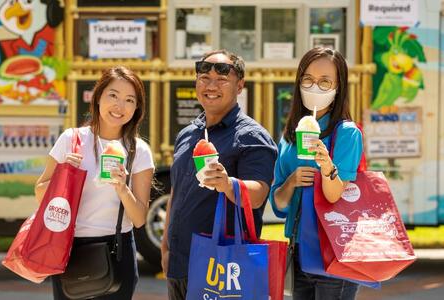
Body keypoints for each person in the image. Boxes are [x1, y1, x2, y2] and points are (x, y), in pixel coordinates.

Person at [161, 49, 278, 300]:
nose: (211, 85)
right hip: (179, 264)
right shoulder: (188, 134)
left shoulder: (252, 137)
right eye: (204, 78)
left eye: (222, 79)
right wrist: (165, 247)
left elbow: (258, 195)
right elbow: (177, 192)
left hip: (222, 267)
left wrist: (228, 184)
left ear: (240, 86)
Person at [34, 66, 155, 300]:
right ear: (98, 97)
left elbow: (139, 218)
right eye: (113, 95)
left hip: (117, 250)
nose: (119, 106)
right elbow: (40, 194)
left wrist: (122, 187)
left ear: (136, 108)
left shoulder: (138, 151)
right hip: (69, 249)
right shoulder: (72, 139)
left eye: (129, 100)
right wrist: (62, 175)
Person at [270, 47, 364, 299]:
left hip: (335, 248)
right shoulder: (289, 137)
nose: (315, 87)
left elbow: (335, 196)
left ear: (338, 88)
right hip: (299, 249)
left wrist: (326, 166)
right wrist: (290, 182)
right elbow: (279, 205)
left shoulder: (347, 133)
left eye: (325, 82)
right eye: (308, 80)